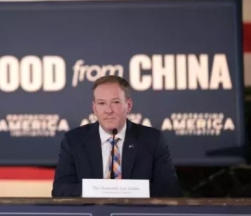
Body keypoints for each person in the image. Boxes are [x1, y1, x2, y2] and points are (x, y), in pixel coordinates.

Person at [52, 75, 182, 198]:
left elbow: (171, 191)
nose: (108, 110)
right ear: (94, 108)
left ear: (128, 105)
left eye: (115, 102)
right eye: (101, 103)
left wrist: (128, 190)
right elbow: (60, 190)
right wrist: (101, 190)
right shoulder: (74, 141)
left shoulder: (152, 140)